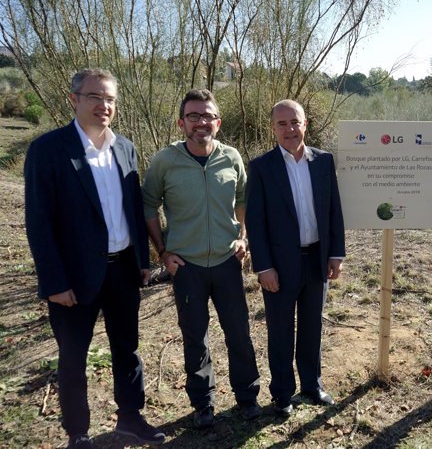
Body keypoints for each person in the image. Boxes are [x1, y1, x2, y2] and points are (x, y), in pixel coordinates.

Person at [24, 69, 165, 448]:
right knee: (73, 356)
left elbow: (133, 210)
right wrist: (54, 283)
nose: (104, 106)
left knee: (127, 348)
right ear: (74, 99)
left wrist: (142, 260)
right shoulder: (49, 150)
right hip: (73, 276)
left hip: (122, 269)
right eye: (94, 97)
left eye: (110, 99)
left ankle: (131, 419)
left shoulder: (125, 148)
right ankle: (78, 433)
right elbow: (39, 222)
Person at [142, 89, 261, 428]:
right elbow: (149, 205)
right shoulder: (165, 160)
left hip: (226, 262)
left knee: (238, 332)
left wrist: (243, 236)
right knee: (195, 336)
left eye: (207, 116)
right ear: (182, 123)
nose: (201, 122)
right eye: (193, 116)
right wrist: (162, 251)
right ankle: (203, 404)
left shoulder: (231, 157)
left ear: (218, 123)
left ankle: (247, 396)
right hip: (187, 267)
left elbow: (242, 199)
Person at [245, 99, 345, 417]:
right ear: (273, 128)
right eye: (282, 124)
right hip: (279, 266)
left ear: (306, 124)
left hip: (317, 260)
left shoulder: (324, 161)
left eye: (295, 122)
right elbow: (256, 222)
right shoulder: (261, 167)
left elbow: (334, 211)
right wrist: (264, 267)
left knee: (312, 326)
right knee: (281, 330)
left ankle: (312, 386)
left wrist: (335, 254)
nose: (290, 129)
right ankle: (283, 394)